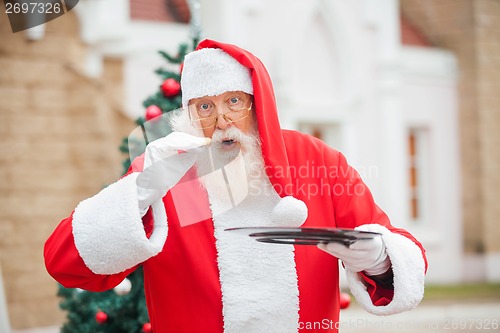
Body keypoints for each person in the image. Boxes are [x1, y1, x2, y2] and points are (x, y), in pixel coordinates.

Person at [44, 39, 427, 333]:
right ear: (190, 114)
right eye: (205, 107)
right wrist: (139, 193)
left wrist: (379, 258)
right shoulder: (165, 170)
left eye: (233, 101)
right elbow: (67, 265)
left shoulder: (317, 160)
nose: (223, 119)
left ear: (257, 105)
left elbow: (402, 256)